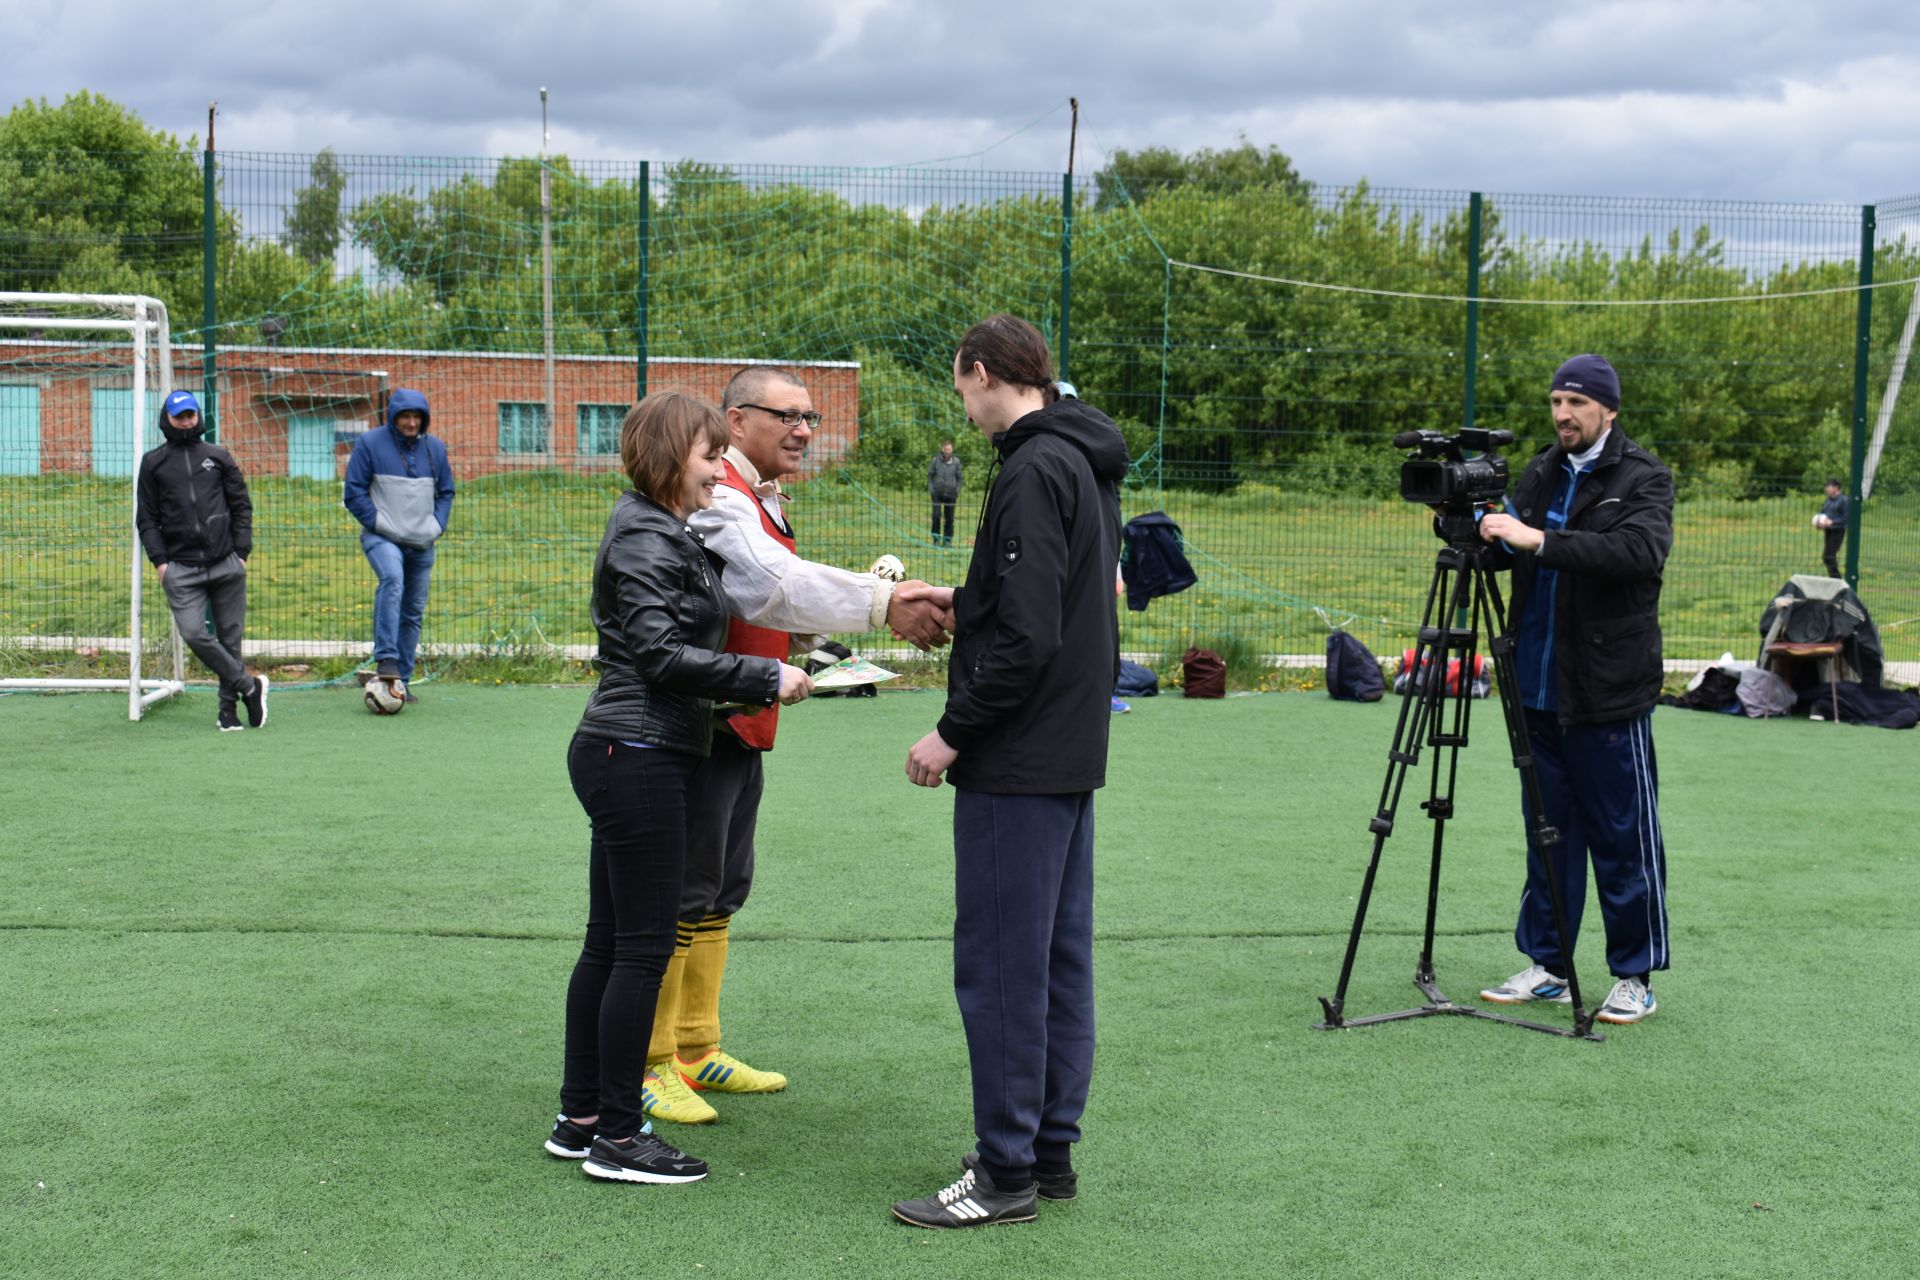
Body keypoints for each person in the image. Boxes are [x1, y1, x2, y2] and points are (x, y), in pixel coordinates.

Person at [635, 366, 955, 1127]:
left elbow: (773, 599)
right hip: (699, 719)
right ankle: (648, 1063)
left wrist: (815, 642)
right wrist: (884, 603)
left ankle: (694, 1045)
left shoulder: (760, 496)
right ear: (736, 420)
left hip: (741, 716)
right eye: (788, 416)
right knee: (683, 890)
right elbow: (766, 584)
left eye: (810, 417)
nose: (805, 431)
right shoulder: (719, 499)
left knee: (721, 885)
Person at [893, 314, 1129, 1229]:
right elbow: (1065, 591)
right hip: (1071, 751)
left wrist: (951, 733)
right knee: (1060, 961)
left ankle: (1002, 1174)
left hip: (1018, 757)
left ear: (984, 374)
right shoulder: (1085, 455)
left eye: (962, 389)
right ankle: (1047, 1152)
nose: (966, 406)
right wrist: (969, 595)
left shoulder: (1031, 465)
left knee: (999, 967)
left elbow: (1031, 634)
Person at [546, 392, 815, 1186]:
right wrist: (763, 674)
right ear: (673, 458)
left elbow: (668, 657)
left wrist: (766, 681)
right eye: (707, 458)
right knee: (641, 948)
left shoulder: (661, 531)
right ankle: (621, 1138)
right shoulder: (645, 536)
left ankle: (582, 1117)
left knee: (610, 943)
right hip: (637, 752)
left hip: (638, 743)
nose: (716, 474)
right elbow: (661, 659)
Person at [1476, 353, 1673, 1026]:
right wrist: (1476, 524)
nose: (1563, 415)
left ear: (1608, 411)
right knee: (1548, 836)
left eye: (1577, 404)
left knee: (1624, 836)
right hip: (1535, 687)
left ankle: (1634, 975)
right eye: (1557, 401)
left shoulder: (1643, 477)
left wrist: (1536, 539)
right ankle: (1549, 966)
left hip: (1607, 692)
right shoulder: (1540, 468)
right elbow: (1508, 549)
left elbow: (1635, 555)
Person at [136, 389, 268, 733]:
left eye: (190, 415)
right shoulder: (153, 463)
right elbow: (147, 518)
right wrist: (161, 563)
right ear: (167, 419)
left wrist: (241, 553)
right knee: (194, 634)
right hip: (180, 569)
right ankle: (249, 686)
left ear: (198, 417)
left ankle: (228, 712)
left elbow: (241, 506)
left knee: (230, 639)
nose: (185, 421)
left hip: (226, 563)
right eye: (179, 416)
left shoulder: (218, 457)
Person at [342, 389, 455, 705]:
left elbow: (446, 492)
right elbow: (354, 493)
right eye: (405, 416)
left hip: (422, 541)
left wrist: (436, 526)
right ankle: (386, 659)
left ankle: (401, 681)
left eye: (417, 416)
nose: (411, 422)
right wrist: (380, 523)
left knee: (414, 609)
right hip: (383, 537)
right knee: (392, 580)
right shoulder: (370, 444)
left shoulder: (435, 449)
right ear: (393, 418)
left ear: (424, 419)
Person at [927, 438, 963, 545]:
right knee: (936, 516)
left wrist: (957, 490)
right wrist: (932, 490)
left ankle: (947, 541)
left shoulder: (956, 462)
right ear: (942, 449)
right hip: (937, 494)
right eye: (946, 449)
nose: (947, 451)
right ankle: (936, 540)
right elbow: (930, 475)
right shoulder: (935, 461)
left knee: (949, 518)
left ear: (952, 450)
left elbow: (960, 478)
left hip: (951, 494)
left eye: (949, 449)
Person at [1814, 476, 1848, 578]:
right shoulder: (1828, 501)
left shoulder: (1844, 501)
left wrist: (1832, 522)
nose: (1826, 489)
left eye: (1828, 486)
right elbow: (1823, 513)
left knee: (1829, 556)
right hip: (1828, 531)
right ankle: (1835, 579)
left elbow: (1846, 518)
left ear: (1836, 488)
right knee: (1827, 556)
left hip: (1838, 531)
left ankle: (1837, 579)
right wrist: (1819, 522)